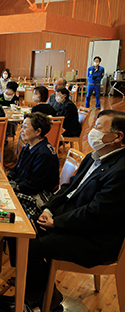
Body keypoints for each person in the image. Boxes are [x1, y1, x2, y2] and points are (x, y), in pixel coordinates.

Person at [25, 110, 125, 310]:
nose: (92, 132)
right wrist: (48, 209)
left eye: (98, 128)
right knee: (23, 226)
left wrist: (57, 222)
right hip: (72, 217)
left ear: (118, 136)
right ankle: (37, 290)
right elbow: (68, 188)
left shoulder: (121, 170)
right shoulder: (93, 157)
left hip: (95, 237)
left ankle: (41, 298)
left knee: (31, 246)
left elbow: (96, 212)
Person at [8, 112, 59, 218]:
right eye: (22, 126)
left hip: (38, 196)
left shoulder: (44, 154)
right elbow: (17, 168)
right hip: (25, 187)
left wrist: (12, 187)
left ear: (38, 131)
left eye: (25, 127)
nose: (21, 130)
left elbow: (34, 185)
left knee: (4, 198)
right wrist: (7, 179)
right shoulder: (28, 146)